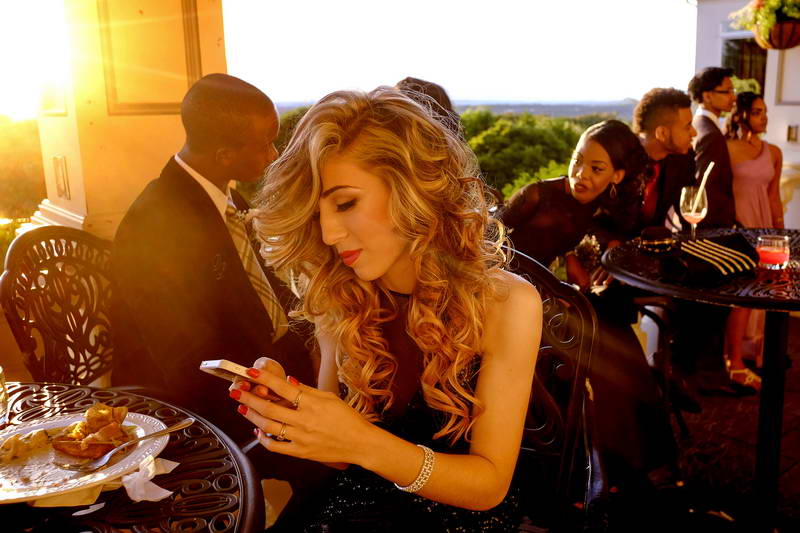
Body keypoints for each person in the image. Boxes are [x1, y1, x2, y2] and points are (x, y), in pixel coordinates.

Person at [229, 87, 543, 531]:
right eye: (317, 214)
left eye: (345, 203)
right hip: (348, 509)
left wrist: (360, 442)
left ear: (412, 189)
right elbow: (340, 457)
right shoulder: (339, 295)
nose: (330, 233)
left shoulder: (508, 304)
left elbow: (489, 485)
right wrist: (293, 415)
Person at [110, 74, 316, 443]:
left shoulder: (227, 200)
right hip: (197, 405)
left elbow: (261, 290)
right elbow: (188, 362)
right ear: (224, 155)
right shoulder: (156, 226)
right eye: (266, 144)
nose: (274, 155)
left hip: (268, 363)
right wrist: (279, 401)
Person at [499, 121, 678, 495]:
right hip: (512, 302)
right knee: (598, 341)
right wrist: (548, 287)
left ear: (618, 175)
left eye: (596, 169)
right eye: (577, 160)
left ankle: (633, 462)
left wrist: (582, 260)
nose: (580, 175)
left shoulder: (600, 207)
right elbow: (489, 248)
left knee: (618, 339)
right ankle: (595, 470)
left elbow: (581, 236)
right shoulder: (535, 195)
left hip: (555, 301)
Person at [723, 92, 785, 391]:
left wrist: (781, 235)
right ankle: (732, 361)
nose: (765, 117)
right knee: (741, 296)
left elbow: (774, 197)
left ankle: (753, 354)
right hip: (737, 228)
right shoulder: (726, 149)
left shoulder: (773, 151)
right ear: (742, 114)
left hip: (764, 228)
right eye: (758, 112)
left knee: (764, 292)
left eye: (765, 112)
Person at [632, 88, 697, 230]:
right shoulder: (619, 155)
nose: (694, 132)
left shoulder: (683, 159)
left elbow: (690, 215)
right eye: (687, 127)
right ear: (662, 133)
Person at [688, 67, 737, 228]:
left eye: (733, 90)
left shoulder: (699, 124)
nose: (733, 97)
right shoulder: (710, 134)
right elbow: (705, 188)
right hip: (712, 226)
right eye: (727, 91)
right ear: (707, 96)